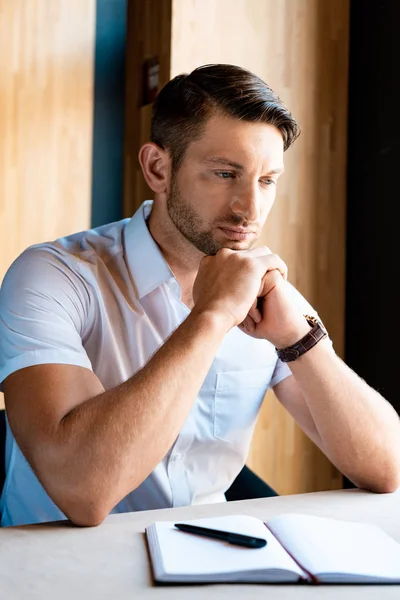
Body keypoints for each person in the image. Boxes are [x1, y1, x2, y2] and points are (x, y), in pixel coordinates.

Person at [0, 64, 399, 528]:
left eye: (267, 181)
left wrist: (301, 338)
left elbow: (386, 467)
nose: (250, 209)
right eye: (225, 174)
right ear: (158, 168)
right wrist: (212, 316)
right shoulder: (52, 276)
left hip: (212, 562)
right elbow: (83, 491)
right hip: (59, 574)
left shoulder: (265, 293)